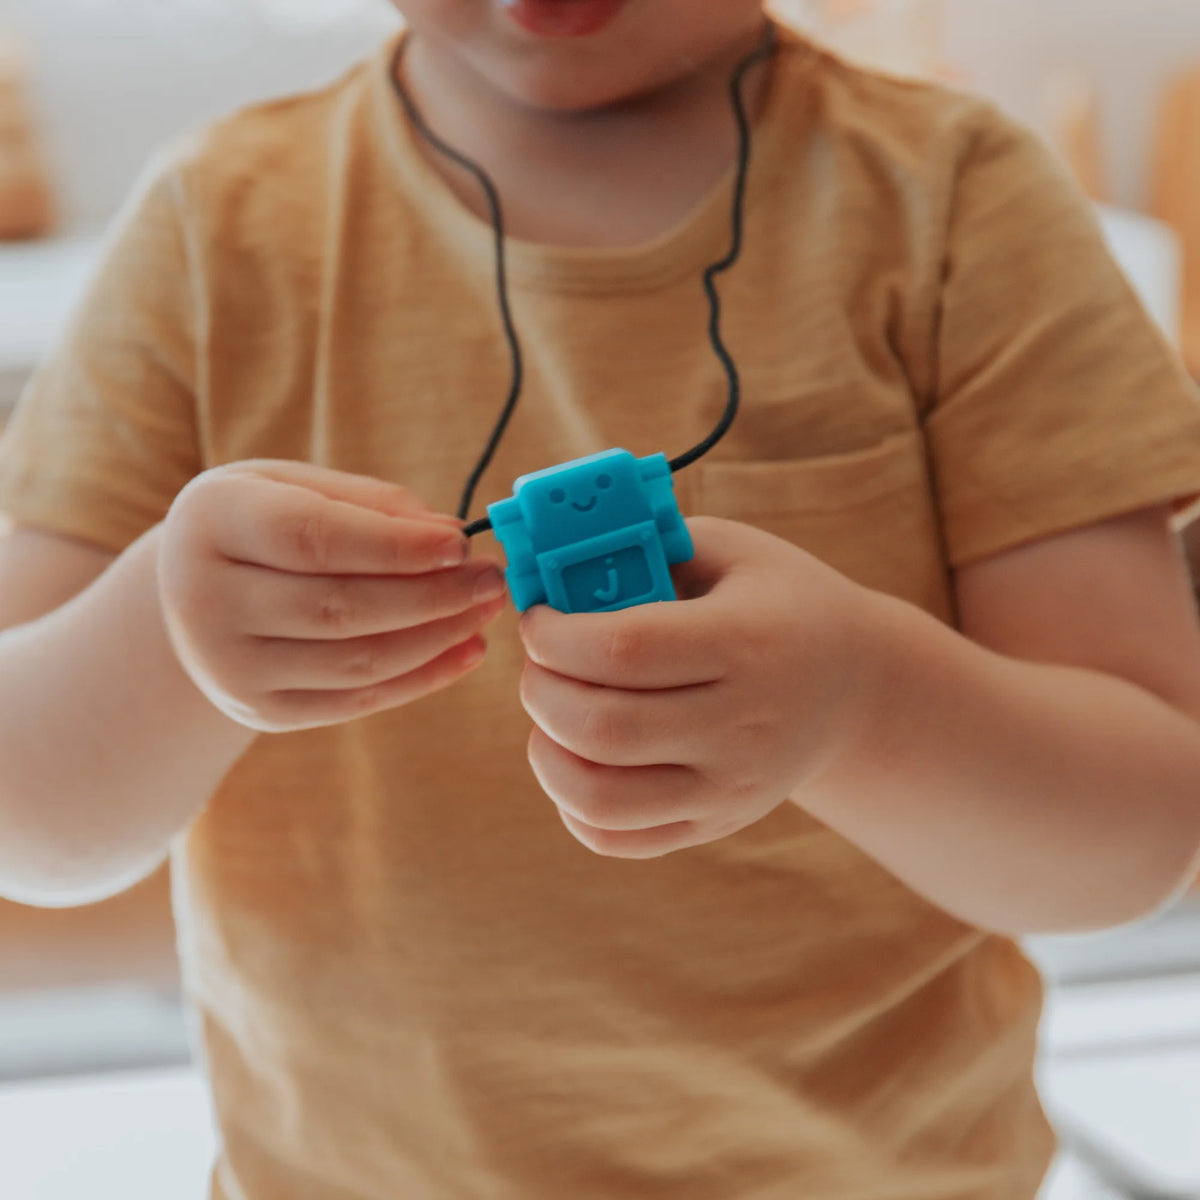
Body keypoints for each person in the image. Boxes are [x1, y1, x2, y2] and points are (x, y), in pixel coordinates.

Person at [2, 1, 1200, 1196]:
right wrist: (163, 636)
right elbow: (28, 817)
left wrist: (864, 701)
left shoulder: (956, 201)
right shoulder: (216, 225)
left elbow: (1143, 830)